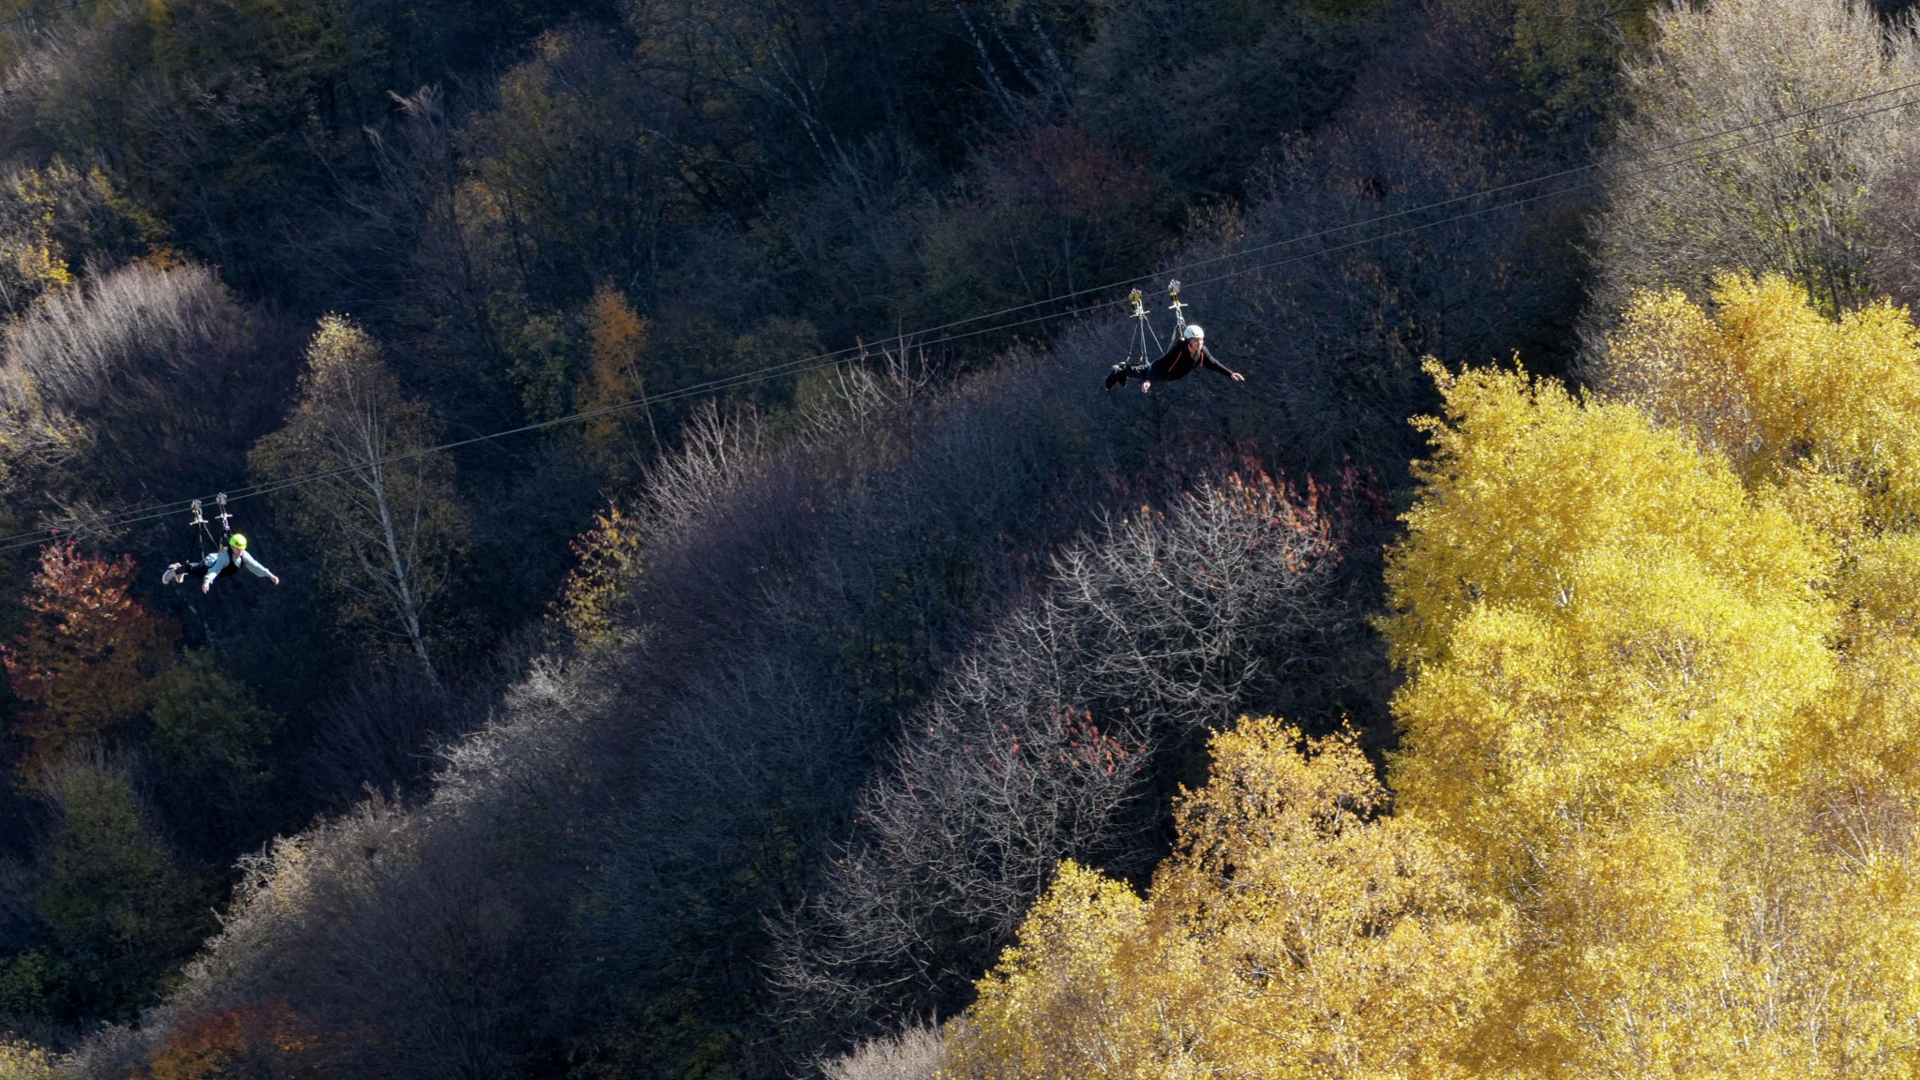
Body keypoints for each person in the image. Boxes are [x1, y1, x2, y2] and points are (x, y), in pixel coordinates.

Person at [1104, 324, 1246, 393]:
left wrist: (1230, 373)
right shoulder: (1179, 350)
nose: (1200, 343)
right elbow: (1161, 365)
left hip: (1172, 376)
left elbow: (1213, 364)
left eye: (1201, 340)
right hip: (1161, 370)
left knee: (1139, 371)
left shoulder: (1202, 351)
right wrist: (1148, 380)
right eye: (1196, 341)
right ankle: (1118, 371)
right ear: (1189, 340)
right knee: (1142, 372)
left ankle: (1123, 369)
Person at [162, 533, 281, 593]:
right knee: (197, 571)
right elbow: (215, 570)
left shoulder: (244, 555)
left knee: (194, 570)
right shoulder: (225, 558)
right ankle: (175, 570)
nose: (240, 551)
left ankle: (179, 569)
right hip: (210, 565)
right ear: (232, 547)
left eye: (242, 549)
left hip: (215, 563)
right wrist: (207, 581)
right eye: (238, 549)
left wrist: (269, 575)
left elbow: (255, 565)